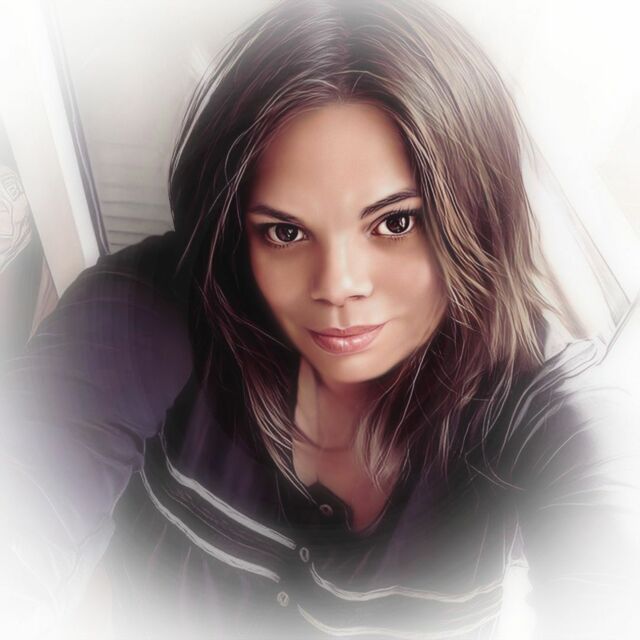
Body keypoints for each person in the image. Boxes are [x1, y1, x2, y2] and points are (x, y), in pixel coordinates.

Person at [1, 0, 639, 638]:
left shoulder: (533, 400)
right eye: (285, 232)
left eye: (395, 222)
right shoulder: (152, 312)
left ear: (475, 212)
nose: (336, 286)